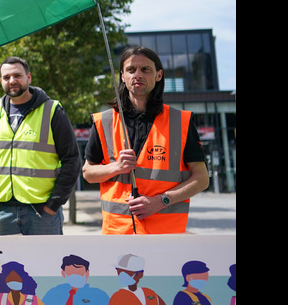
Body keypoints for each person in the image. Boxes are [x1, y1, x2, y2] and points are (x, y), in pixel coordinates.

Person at [82, 46, 209, 234]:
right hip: (117, 234)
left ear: (159, 75)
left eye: (145, 69)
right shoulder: (104, 121)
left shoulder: (180, 121)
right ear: (122, 76)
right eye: (131, 70)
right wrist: (116, 167)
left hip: (165, 235)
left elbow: (202, 178)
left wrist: (161, 201)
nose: (137, 75)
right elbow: (88, 173)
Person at [0, 56, 81, 235]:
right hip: (2, 211)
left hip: (41, 213)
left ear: (28, 77)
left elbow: (72, 160)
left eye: (17, 75)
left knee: (46, 263)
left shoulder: (52, 110)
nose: (12, 81)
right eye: (6, 77)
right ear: (1, 81)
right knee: (4, 263)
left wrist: (54, 204)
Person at [42, 254, 109, 305]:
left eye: (79, 272)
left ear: (87, 273)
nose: (75, 276)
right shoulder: (54, 293)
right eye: (71, 272)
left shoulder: (99, 295)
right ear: (63, 273)